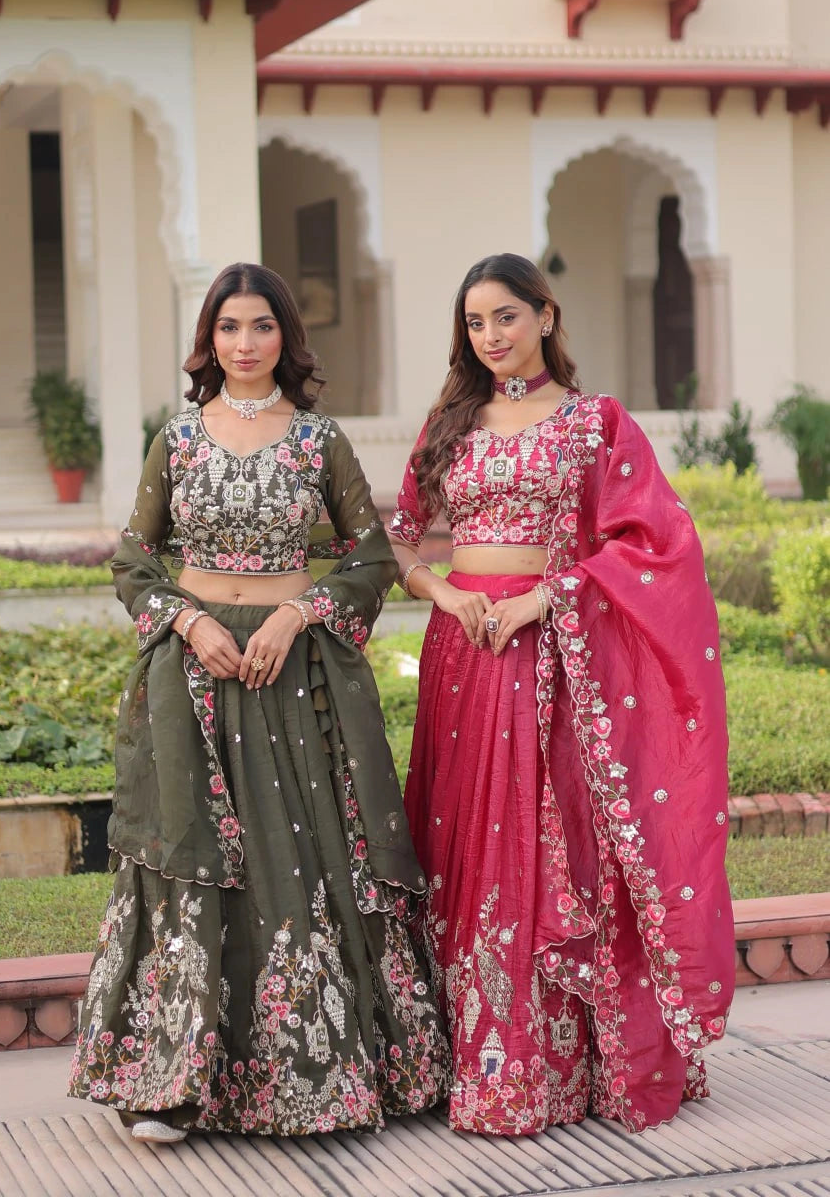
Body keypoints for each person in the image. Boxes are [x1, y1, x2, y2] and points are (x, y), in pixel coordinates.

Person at [68, 263, 449, 1142]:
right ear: (210, 339)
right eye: (230, 328)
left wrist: (298, 612)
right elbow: (133, 559)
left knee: (301, 857)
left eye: (263, 327)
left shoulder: (320, 441)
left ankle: (323, 1070)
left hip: (291, 673)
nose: (246, 344)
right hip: (195, 674)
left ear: (287, 336)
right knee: (191, 854)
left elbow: (370, 554)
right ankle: (170, 1081)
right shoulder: (177, 438)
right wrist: (189, 625)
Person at [387, 252, 733, 1136]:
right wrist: (449, 593)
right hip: (463, 648)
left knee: (549, 844)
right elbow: (394, 543)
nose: (490, 336)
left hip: (549, 651)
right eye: (473, 322)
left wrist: (550, 595)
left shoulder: (593, 424)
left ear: (544, 315)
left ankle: (551, 1065)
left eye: (505, 316)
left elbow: (659, 542)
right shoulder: (449, 422)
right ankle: (464, 1053)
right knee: (460, 839)